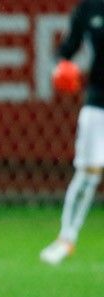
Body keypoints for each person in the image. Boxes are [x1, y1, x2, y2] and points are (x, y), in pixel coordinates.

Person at [40, 0, 104, 265]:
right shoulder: (90, 9)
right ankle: (67, 238)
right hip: (99, 101)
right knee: (88, 173)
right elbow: (66, 49)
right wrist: (61, 66)